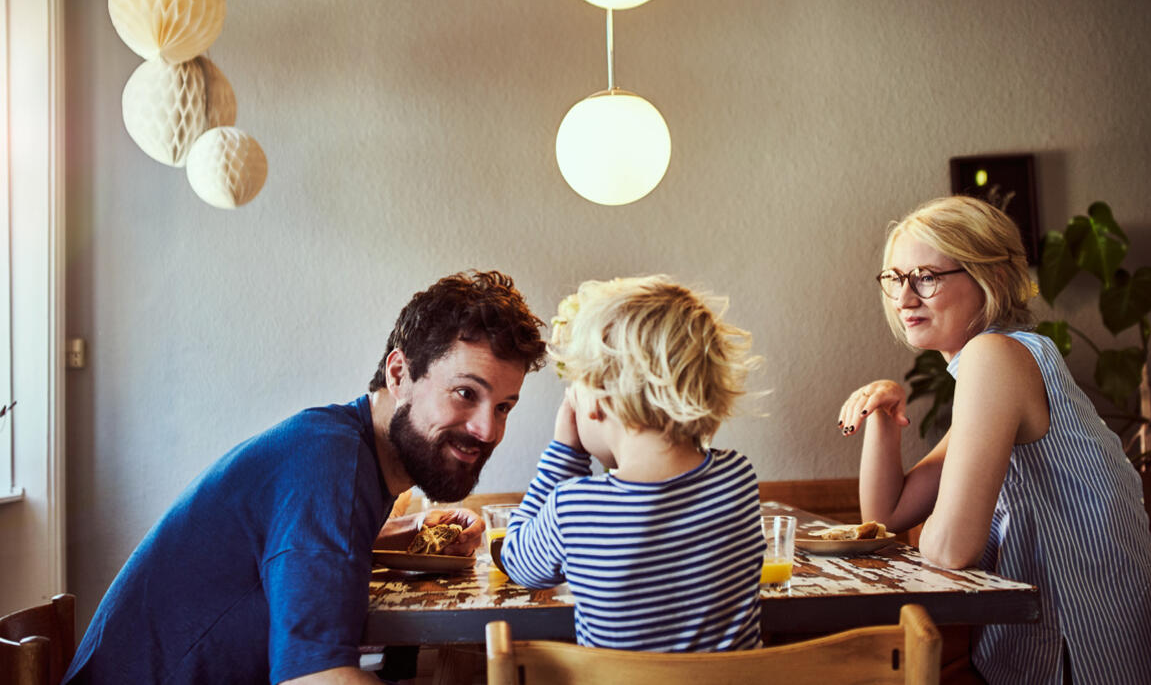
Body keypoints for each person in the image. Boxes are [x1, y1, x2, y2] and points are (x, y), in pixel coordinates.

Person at [64, 270, 546, 685]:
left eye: (504, 407)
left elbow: (281, 553)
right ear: (399, 374)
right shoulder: (331, 464)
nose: (488, 429)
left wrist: (400, 534)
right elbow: (314, 677)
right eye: (465, 393)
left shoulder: (338, 446)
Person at [838, 196, 1151, 684]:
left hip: (1083, 657)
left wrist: (942, 527)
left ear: (988, 277)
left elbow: (952, 548)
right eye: (895, 278)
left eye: (926, 277)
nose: (905, 297)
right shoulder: (1005, 361)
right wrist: (885, 413)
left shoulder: (995, 358)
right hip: (1053, 651)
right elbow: (885, 516)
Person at [501, 274, 764, 652]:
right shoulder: (737, 479)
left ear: (598, 401)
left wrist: (566, 451)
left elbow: (518, 562)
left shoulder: (574, 508)